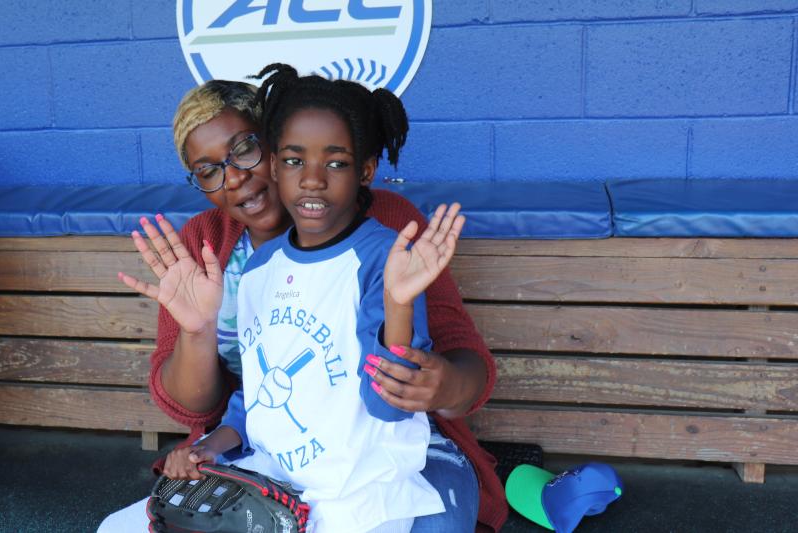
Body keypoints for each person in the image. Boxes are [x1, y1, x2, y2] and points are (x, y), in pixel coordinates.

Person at [104, 73, 506, 531]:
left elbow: (419, 375)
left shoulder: (388, 237)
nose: (234, 177)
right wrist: (198, 335)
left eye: (244, 149)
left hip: (379, 454)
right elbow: (232, 402)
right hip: (275, 454)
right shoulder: (228, 258)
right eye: (209, 169)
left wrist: (443, 378)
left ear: (271, 149)